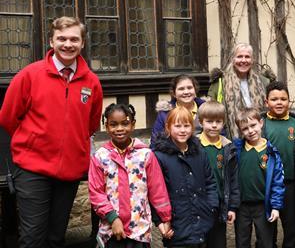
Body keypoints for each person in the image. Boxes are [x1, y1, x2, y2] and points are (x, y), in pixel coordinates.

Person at [0, 16, 103, 248]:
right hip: (32, 169)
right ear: (51, 41)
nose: (68, 44)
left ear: (82, 43)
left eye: (74, 39)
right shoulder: (29, 75)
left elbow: (91, 124)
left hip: (70, 171)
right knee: (33, 238)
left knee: (56, 237)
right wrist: (33, 140)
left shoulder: (92, 82)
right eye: (62, 39)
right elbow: (8, 117)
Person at [88, 104, 172, 247]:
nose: (119, 128)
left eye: (125, 123)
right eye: (113, 124)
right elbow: (96, 193)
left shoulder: (145, 155)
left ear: (133, 125)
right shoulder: (100, 157)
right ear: (106, 127)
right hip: (111, 231)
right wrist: (113, 219)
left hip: (139, 230)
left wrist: (165, 218)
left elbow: (158, 190)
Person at [152, 106, 219, 247]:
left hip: (202, 222)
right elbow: (155, 192)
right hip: (176, 225)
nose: (183, 130)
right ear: (168, 127)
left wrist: (211, 207)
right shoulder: (159, 157)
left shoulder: (199, 153)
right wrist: (160, 221)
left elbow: (210, 182)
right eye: (177, 126)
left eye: (186, 125)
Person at [261, 81, 295, 248]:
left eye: (283, 99)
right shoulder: (259, 124)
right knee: (267, 229)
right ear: (266, 102)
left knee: (291, 229)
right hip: (266, 185)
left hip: (290, 186)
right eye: (274, 99)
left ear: (289, 101)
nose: (279, 102)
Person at [233, 108, 285, 248]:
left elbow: (277, 182)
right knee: (242, 241)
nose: (250, 131)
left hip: (263, 205)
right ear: (240, 130)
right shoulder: (236, 150)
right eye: (245, 128)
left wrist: (276, 206)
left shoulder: (272, 153)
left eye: (253, 125)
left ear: (261, 123)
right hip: (242, 206)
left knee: (265, 242)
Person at [197, 101, 240, 248]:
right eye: (209, 121)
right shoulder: (194, 145)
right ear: (201, 122)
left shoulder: (228, 148)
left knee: (218, 243)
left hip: (220, 206)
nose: (214, 125)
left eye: (218, 121)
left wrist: (232, 207)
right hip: (199, 206)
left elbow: (233, 180)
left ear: (224, 123)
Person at [208, 43, 274, 139]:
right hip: (231, 139)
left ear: (252, 60)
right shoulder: (220, 83)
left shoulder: (264, 81)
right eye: (239, 57)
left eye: (247, 57)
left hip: (261, 138)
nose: (243, 60)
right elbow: (211, 112)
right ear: (233, 59)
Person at [150, 75, 205, 149]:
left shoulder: (206, 109)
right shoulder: (165, 114)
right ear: (174, 93)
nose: (186, 92)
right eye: (181, 89)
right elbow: (155, 141)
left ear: (195, 90)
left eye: (189, 88)